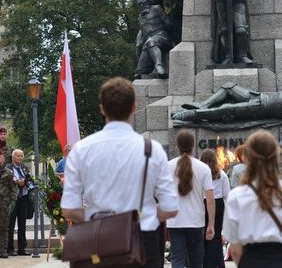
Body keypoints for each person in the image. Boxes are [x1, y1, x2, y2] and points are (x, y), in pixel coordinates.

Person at [62, 77, 179, 268]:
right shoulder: (152, 149)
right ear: (134, 107)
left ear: (102, 108)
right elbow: (170, 207)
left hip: (97, 241)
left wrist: (100, 219)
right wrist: (143, 215)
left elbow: (69, 209)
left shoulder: (81, 149)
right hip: (142, 240)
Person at [222, 130, 282, 268]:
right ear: (276, 156)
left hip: (251, 262)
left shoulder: (236, 197)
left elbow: (235, 249)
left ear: (247, 158)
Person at [168, 130, 215, 268]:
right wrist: (211, 223)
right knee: (196, 262)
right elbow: (210, 198)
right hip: (196, 221)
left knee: (177, 259)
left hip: (175, 220)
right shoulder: (203, 168)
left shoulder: (168, 166)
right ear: (193, 146)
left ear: (177, 146)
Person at [200, 150, 230, 268]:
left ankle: (206, 263)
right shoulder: (222, 175)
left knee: (203, 236)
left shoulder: (199, 174)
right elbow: (227, 195)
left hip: (203, 203)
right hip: (218, 205)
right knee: (216, 236)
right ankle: (218, 263)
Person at [5, 149, 36, 255]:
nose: (20, 158)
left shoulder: (24, 168)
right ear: (13, 157)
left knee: (22, 224)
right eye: (18, 156)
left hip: (23, 198)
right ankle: (9, 249)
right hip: (12, 199)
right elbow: (6, 181)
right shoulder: (8, 168)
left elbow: (31, 179)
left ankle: (22, 248)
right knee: (11, 224)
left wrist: (28, 182)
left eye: (21, 156)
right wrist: (17, 182)